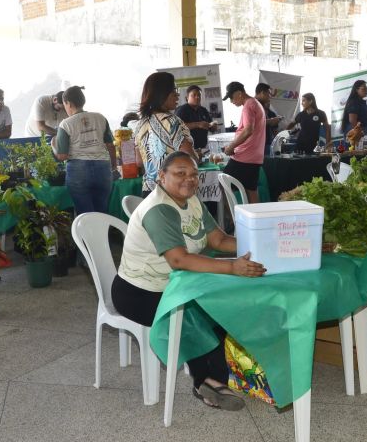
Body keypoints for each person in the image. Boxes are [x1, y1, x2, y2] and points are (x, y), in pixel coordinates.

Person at [112, 151, 265, 409]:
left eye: (194, 174)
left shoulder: (191, 200)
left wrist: (263, 245)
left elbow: (218, 240)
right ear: (161, 176)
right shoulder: (159, 209)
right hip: (139, 292)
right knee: (198, 313)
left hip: (175, 284)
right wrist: (232, 268)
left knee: (219, 304)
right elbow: (179, 260)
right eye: (180, 173)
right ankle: (209, 382)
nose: (189, 179)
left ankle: (216, 379)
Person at [53, 86, 117, 215]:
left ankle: (88, 235)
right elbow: (110, 145)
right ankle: (103, 235)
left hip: (78, 170)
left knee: (85, 214)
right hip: (103, 168)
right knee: (102, 212)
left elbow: (62, 156)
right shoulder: (100, 118)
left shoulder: (65, 124)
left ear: (68, 103)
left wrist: (53, 145)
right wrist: (113, 166)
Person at [134, 72, 197, 196]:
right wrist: (196, 155)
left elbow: (139, 162)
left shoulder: (140, 124)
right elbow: (189, 158)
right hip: (173, 191)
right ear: (161, 93)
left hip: (149, 192)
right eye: (173, 89)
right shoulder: (172, 122)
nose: (177, 94)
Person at [222, 81, 266, 203]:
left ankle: (231, 219)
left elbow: (248, 130)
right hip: (254, 156)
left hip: (244, 156)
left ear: (239, 93)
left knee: (222, 184)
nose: (231, 101)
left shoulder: (248, 106)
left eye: (231, 97)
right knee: (251, 190)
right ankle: (253, 220)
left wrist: (231, 146)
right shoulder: (255, 103)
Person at [175, 85, 217, 150]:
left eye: (199, 95)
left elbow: (210, 125)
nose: (197, 97)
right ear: (187, 98)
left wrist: (213, 126)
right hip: (186, 150)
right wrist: (197, 124)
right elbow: (177, 127)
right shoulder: (181, 110)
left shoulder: (203, 110)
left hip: (202, 148)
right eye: (194, 95)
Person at [254, 82, 281, 155]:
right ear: (262, 93)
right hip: (257, 144)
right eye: (268, 94)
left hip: (266, 142)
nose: (270, 96)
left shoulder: (260, 106)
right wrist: (271, 121)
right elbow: (252, 124)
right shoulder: (253, 104)